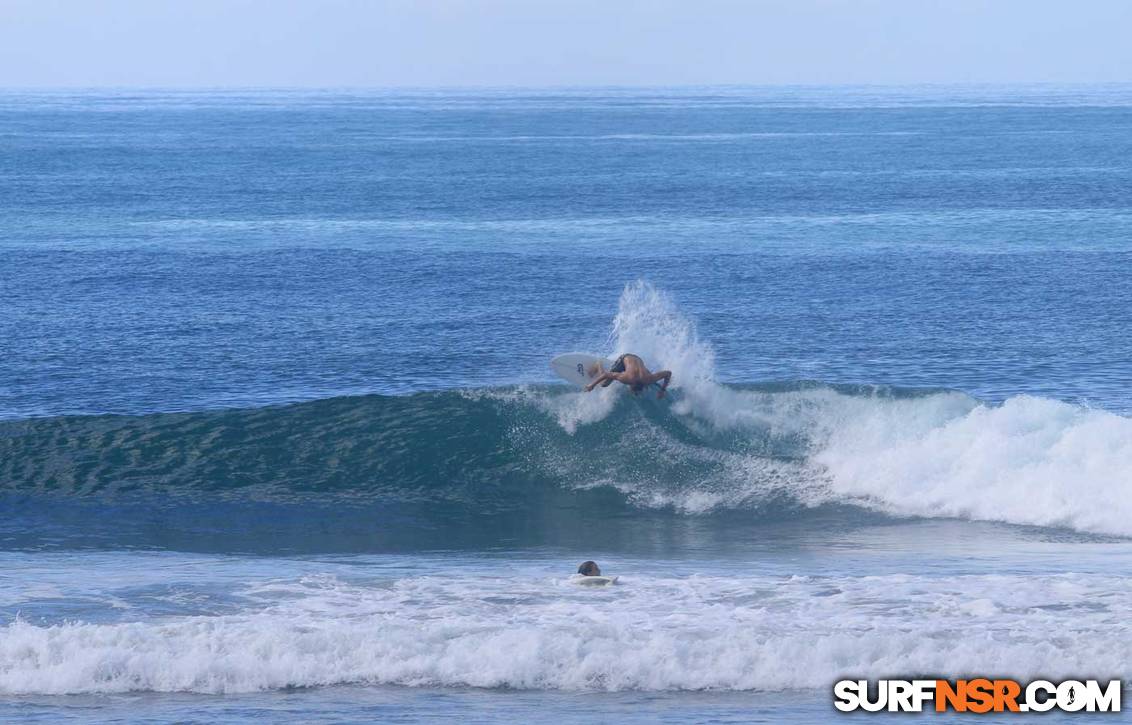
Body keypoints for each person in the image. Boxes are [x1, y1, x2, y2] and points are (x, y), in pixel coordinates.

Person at [584, 353, 672, 399]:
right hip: (624, 358)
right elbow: (606, 374)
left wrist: (662, 390)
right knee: (604, 384)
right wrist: (592, 385)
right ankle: (598, 364)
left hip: (638, 359)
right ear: (631, 385)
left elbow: (668, 373)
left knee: (649, 379)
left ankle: (627, 368)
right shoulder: (626, 379)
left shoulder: (649, 379)